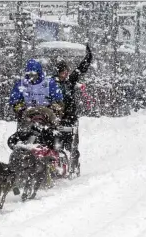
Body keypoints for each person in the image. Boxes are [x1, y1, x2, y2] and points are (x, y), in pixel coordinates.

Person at [7, 59, 64, 150]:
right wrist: (19, 107)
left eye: (34, 74)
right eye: (29, 74)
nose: (32, 77)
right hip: (28, 114)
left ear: (39, 73)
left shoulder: (49, 83)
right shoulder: (21, 84)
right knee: (19, 136)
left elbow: (58, 101)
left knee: (53, 134)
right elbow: (14, 101)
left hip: (47, 114)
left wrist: (55, 106)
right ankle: (23, 145)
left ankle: (52, 144)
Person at [54, 44, 93, 175]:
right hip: (57, 118)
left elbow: (80, 70)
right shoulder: (52, 84)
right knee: (55, 142)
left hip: (70, 118)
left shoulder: (70, 82)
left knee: (72, 144)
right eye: (63, 71)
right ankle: (57, 166)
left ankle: (74, 165)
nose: (66, 73)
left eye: (66, 71)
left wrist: (88, 58)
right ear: (58, 72)